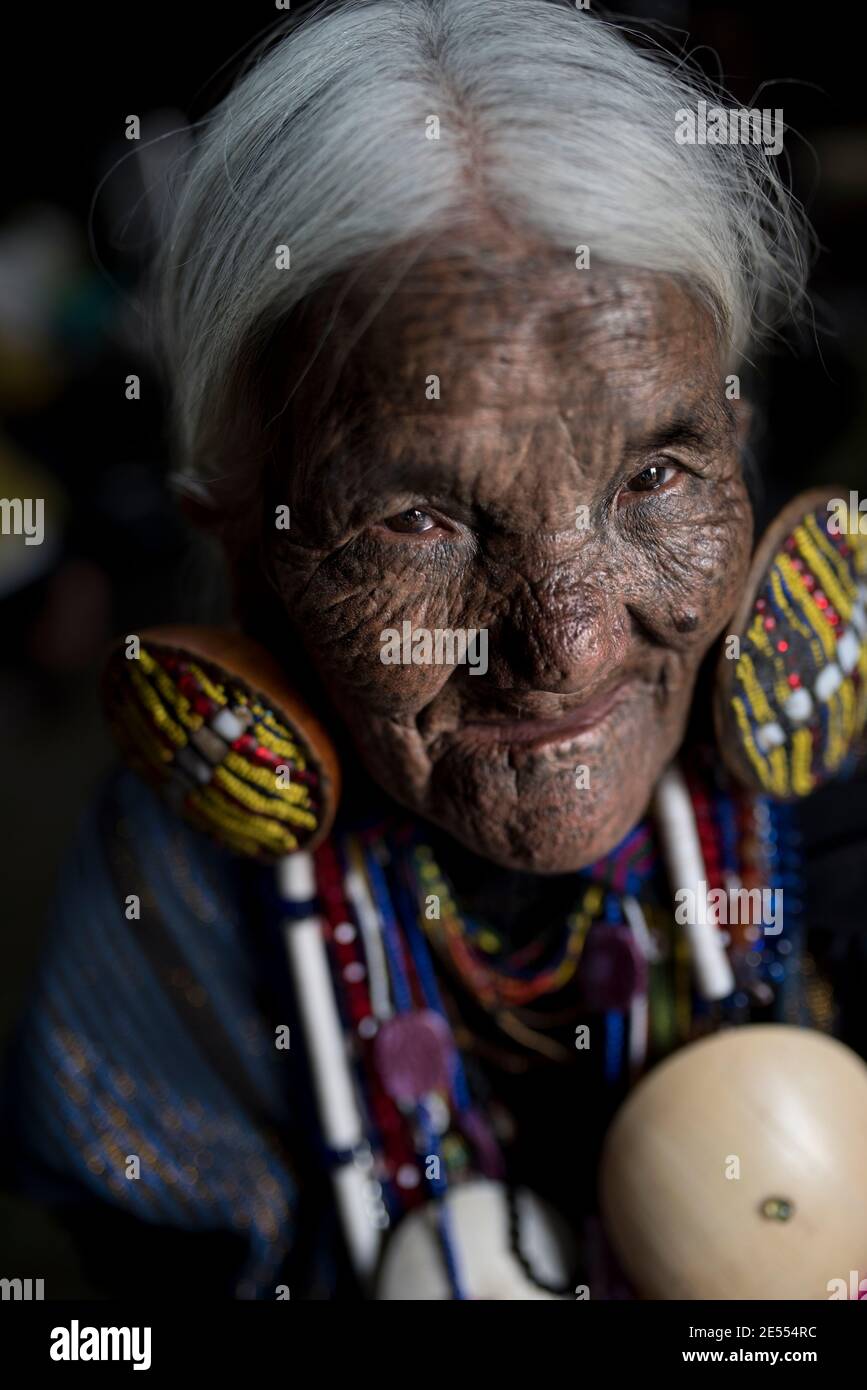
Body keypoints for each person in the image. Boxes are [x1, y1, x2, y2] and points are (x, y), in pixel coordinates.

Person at [4, 0, 866, 1300]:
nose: (565, 651)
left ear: (738, 453)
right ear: (239, 546)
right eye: (420, 518)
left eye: (654, 475)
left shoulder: (840, 805)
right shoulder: (162, 937)